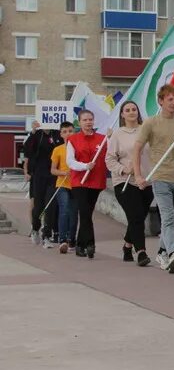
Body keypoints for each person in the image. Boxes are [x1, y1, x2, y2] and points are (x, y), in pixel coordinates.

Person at [135, 84, 174, 274]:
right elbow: (137, 149)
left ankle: (162, 252)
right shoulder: (150, 123)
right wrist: (139, 175)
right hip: (160, 176)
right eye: (169, 99)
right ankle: (173, 252)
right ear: (161, 101)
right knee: (168, 217)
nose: (173, 103)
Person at [106, 101, 155, 267]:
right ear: (122, 114)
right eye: (127, 110)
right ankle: (141, 252)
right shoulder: (118, 135)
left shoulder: (146, 130)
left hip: (146, 180)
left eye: (134, 109)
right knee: (135, 215)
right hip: (125, 182)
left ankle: (127, 245)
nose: (131, 112)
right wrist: (123, 169)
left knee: (139, 217)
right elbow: (109, 159)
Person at [66, 109, 108, 259]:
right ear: (79, 122)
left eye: (90, 119)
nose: (88, 122)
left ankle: (82, 244)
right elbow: (70, 161)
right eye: (85, 120)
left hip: (96, 181)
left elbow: (109, 157)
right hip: (80, 181)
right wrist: (84, 166)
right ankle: (88, 244)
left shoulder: (103, 139)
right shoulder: (73, 140)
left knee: (87, 213)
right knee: (84, 212)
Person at [23, 120, 61, 247]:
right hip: (38, 176)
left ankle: (47, 236)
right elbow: (27, 150)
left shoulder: (57, 134)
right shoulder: (37, 135)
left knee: (50, 205)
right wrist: (33, 132)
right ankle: (35, 229)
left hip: (53, 176)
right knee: (38, 206)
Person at [50, 121, 77, 253]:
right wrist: (64, 172)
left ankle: (72, 239)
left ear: (74, 132)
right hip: (62, 184)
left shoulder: (79, 148)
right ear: (61, 134)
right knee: (64, 210)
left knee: (74, 215)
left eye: (70, 131)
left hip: (76, 185)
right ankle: (62, 240)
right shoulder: (58, 149)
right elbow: (53, 170)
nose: (68, 134)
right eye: (65, 132)